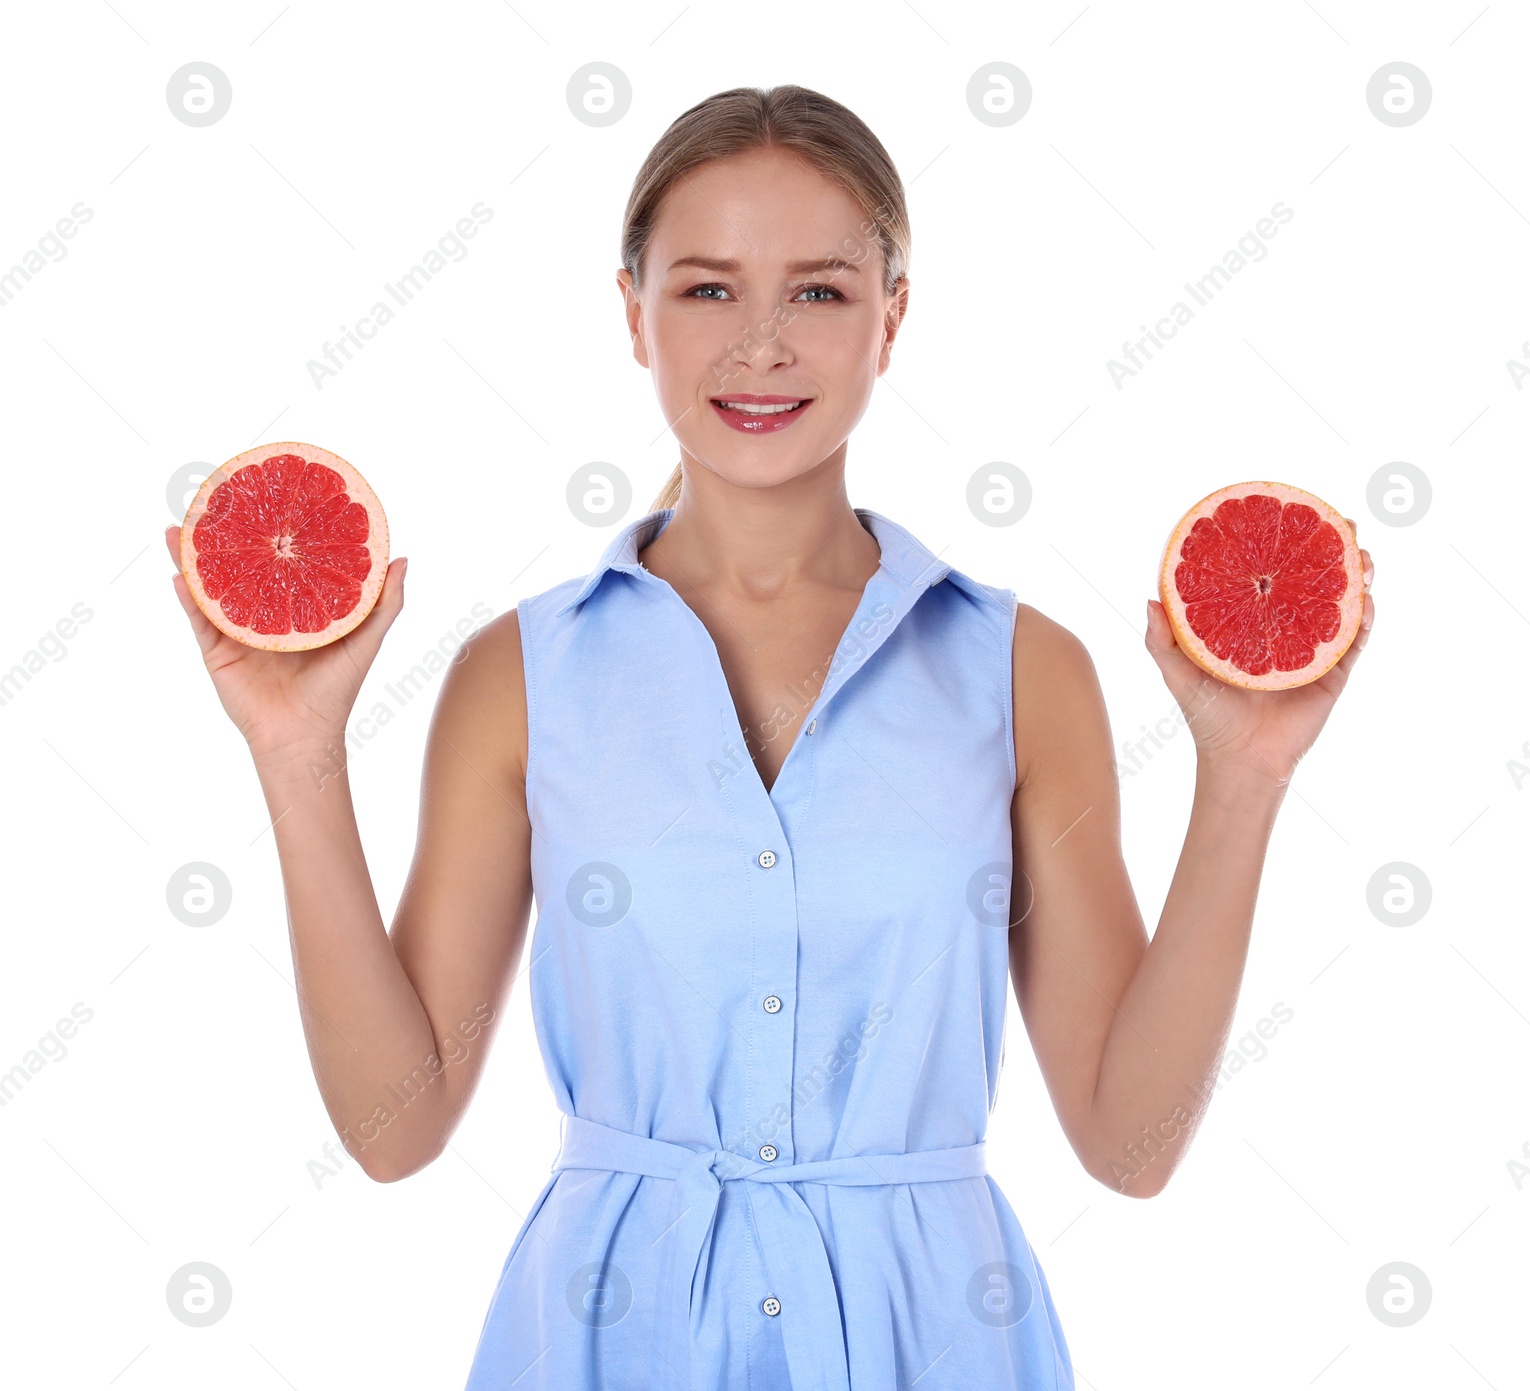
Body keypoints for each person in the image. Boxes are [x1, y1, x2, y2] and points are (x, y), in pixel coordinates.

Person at [165, 83, 1374, 1391]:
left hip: (934, 1335)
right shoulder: (520, 675)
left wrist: (1247, 778)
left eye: (817, 291)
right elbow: (394, 1134)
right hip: (609, 1336)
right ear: (632, 313)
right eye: (704, 291)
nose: (760, 344)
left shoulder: (1021, 670)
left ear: (891, 319)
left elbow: (1131, 1146)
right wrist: (295, 758)